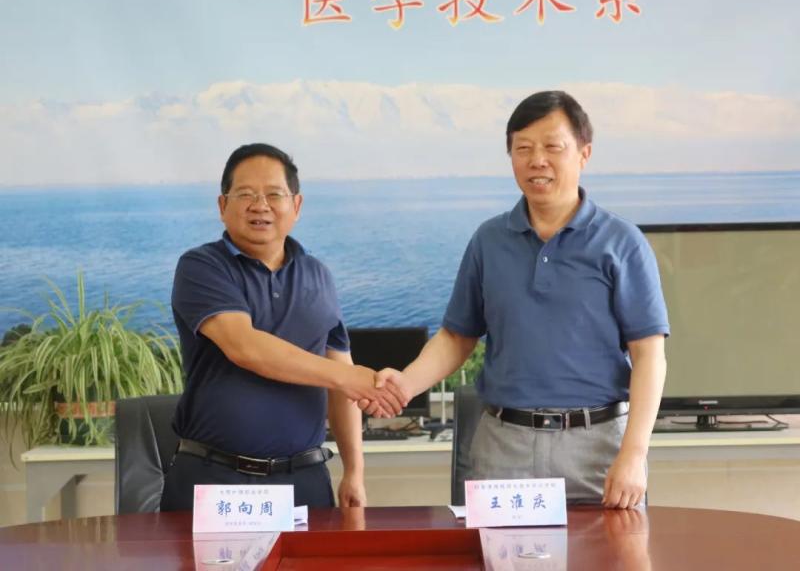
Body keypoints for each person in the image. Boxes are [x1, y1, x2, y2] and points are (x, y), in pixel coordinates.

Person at [364, 91, 669, 508]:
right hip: (502, 448)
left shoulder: (622, 242)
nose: (536, 160)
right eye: (523, 148)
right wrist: (405, 384)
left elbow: (649, 355)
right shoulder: (488, 240)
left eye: (552, 147)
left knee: (611, 548)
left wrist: (634, 454)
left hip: (598, 448)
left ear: (584, 153)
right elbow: (457, 337)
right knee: (495, 549)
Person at [160, 143, 401, 511]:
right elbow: (246, 348)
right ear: (222, 206)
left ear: (297, 206)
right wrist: (348, 378)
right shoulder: (202, 266)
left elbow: (342, 377)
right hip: (216, 480)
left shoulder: (318, 275)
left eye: (274, 194)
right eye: (245, 194)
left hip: (305, 479)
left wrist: (354, 470)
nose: (260, 206)